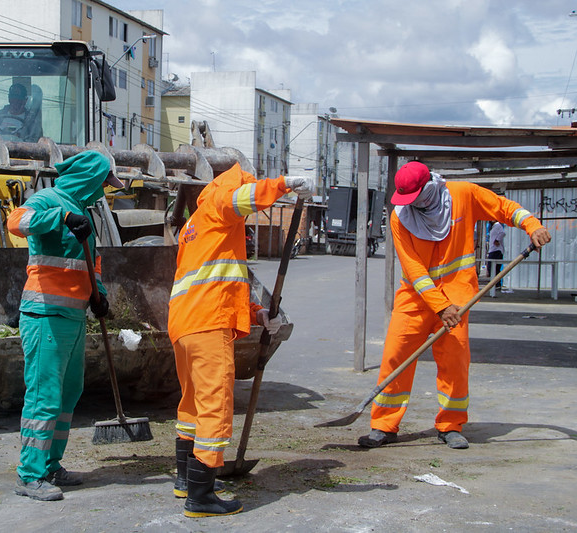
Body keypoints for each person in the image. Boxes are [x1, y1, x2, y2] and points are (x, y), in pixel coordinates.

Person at [358, 162, 550, 451]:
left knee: (455, 362)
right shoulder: (400, 218)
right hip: (416, 297)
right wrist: (439, 305)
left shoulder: (462, 194)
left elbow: (504, 208)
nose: (411, 205)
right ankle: (384, 425)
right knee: (395, 357)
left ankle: (450, 425)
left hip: (458, 296)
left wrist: (532, 225)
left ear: (429, 188)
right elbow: (413, 269)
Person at [168, 164, 314, 517]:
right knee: (215, 406)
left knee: (193, 405)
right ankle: (200, 497)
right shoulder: (220, 202)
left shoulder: (195, 226)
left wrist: (257, 313)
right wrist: (284, 185)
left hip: (185, 322)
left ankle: (187, 479)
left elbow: (220, 283)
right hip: (208, 324)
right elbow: (242, 198)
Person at [7, 150, 125, 501]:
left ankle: (50, 465)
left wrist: (98, 295)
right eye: (102, 184)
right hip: (45, 315)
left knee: (68, 394)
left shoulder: (84, 212)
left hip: (73, 318)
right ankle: (29, 474)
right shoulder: (49, 200)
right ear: (88, 179)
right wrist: (60, 216)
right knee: (44, 397)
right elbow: (16, 222)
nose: (104, 192)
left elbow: (90, 263)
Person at [487, 221, 507, 291]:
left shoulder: (498, 225)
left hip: (496, 250)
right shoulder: (493, 227)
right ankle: (495, 284)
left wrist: (497, 240)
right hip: (492, 249)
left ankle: (497, 284)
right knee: (492, 268)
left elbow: (502, 233)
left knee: (494, 268)